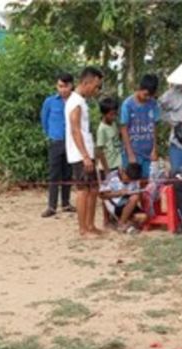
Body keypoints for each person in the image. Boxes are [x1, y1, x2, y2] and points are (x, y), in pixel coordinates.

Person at [65, 66, 104, 236]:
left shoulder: (81, 101)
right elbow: (75, 130)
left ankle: (90, 225)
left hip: (87, 152)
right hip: (81, 155)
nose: (97, 90)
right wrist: (85, 156)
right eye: (96, 86)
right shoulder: (75, 102)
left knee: (93, 189)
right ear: (86, 82)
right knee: (83, 190)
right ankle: (83, 228)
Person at [40, 72, 76, 217]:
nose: (62, 90)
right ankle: (52, 206)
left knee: (68, 173)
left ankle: (66, 203)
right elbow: (44, 120)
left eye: (65, 86)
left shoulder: (76, 101)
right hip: (56, 142)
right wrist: (51, 135)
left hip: (72, 142)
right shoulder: (50, 102)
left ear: (71, 86)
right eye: (60, 86)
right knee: (54, 174)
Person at [120, 74, 160, 180]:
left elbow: (154, 127)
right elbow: (124, 130)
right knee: (131, 183)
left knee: (146, 182)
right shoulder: (127, 105)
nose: (147, 98)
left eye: (150, 96)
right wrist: (130, 154)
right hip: (133, 152)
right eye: (145, 94)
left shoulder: (153, 104)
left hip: (148, 153)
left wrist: (154, 149)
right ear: (139, 88)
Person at [99, 163, 146, 233]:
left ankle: (121, 222)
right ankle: (121, 223)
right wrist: (118, 193)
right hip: (116, 205)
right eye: (127, 178)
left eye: (131, 180)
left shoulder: (135, 179)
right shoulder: (112, 177)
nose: (128, 181)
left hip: (129, 205)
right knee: (134, 198)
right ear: (123, 171)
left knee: (143, 217)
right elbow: (102, 196)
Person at [96, 97, 121, 175]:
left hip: (117, 164)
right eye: (111, 114)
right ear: (104, 114)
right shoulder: (102, 129)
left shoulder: (113, 123)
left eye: (115, 114)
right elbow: (99, 151)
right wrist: (106, 170)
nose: (114, 117)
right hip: (109, 167)